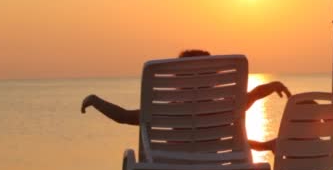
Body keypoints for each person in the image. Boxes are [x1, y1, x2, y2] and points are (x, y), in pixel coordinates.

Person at [81, 49, 291, 151]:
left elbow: (124, 116)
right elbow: (253, 95)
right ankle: (264, 146)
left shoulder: (167, 111)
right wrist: (272, 86)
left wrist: (95, 101)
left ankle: (264, 146)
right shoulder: (222, 106)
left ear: (177, 81)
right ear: (214, 78)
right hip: (215, 164)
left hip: (172, 166)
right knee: (226, 138)